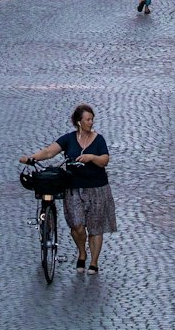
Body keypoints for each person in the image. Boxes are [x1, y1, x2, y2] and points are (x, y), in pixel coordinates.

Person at [21, 103, 116, 274]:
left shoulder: (99, 139)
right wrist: (31, 158)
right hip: (73, 188)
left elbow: (104, 160)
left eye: (92, 119)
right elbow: (49, 152)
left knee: (95, 228)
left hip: (97, 188)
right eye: (88, 119)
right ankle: (82, 252)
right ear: (79, 122)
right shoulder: (69, 139)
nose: (91, 122)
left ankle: (93, 262)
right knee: (76, 226)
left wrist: (91, 157)